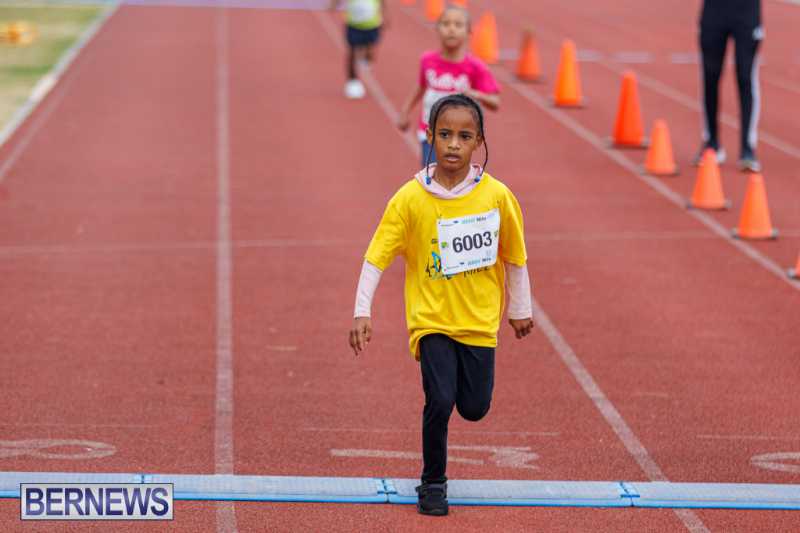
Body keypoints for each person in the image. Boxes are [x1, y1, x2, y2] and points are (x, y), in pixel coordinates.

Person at [349, 94, 533, 516]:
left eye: (463, 136)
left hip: (479, 324)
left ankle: (444, 456)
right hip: (430, 320)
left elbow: (515, 258)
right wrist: (363, 310)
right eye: (445, 134)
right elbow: (376, 255)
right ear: (430, 136)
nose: (453, 144)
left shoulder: (497, 197)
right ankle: (433, 482)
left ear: (479, 143)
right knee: (440, 399)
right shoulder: (410, 199)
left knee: (473, 407)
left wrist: (519, 308)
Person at [396, 5, 500, 168]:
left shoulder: (475, 67)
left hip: (459, 135)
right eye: (446, 24)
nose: (451, 29)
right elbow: (421, 86)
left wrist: (475, 94)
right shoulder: (427, 60)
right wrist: (405, 111)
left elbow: (495, 102)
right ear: (437, 29)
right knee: (432, 175)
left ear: (469, 32)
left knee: (452, 177)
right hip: (430, 131)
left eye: (458, 25)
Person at [696, 0, 763, 172]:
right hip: (714, 9)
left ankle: (747, 148)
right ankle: (711, 142)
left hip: (746, 11)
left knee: (745, 76)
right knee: (710, 75)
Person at [330, 0, 387, 99]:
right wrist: (333, 5)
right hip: (354, 25)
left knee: (370, 52)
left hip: (372, 25)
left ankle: (364, 59)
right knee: (352, 51)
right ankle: (352, 81)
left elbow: (383, 2)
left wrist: (385, 16)